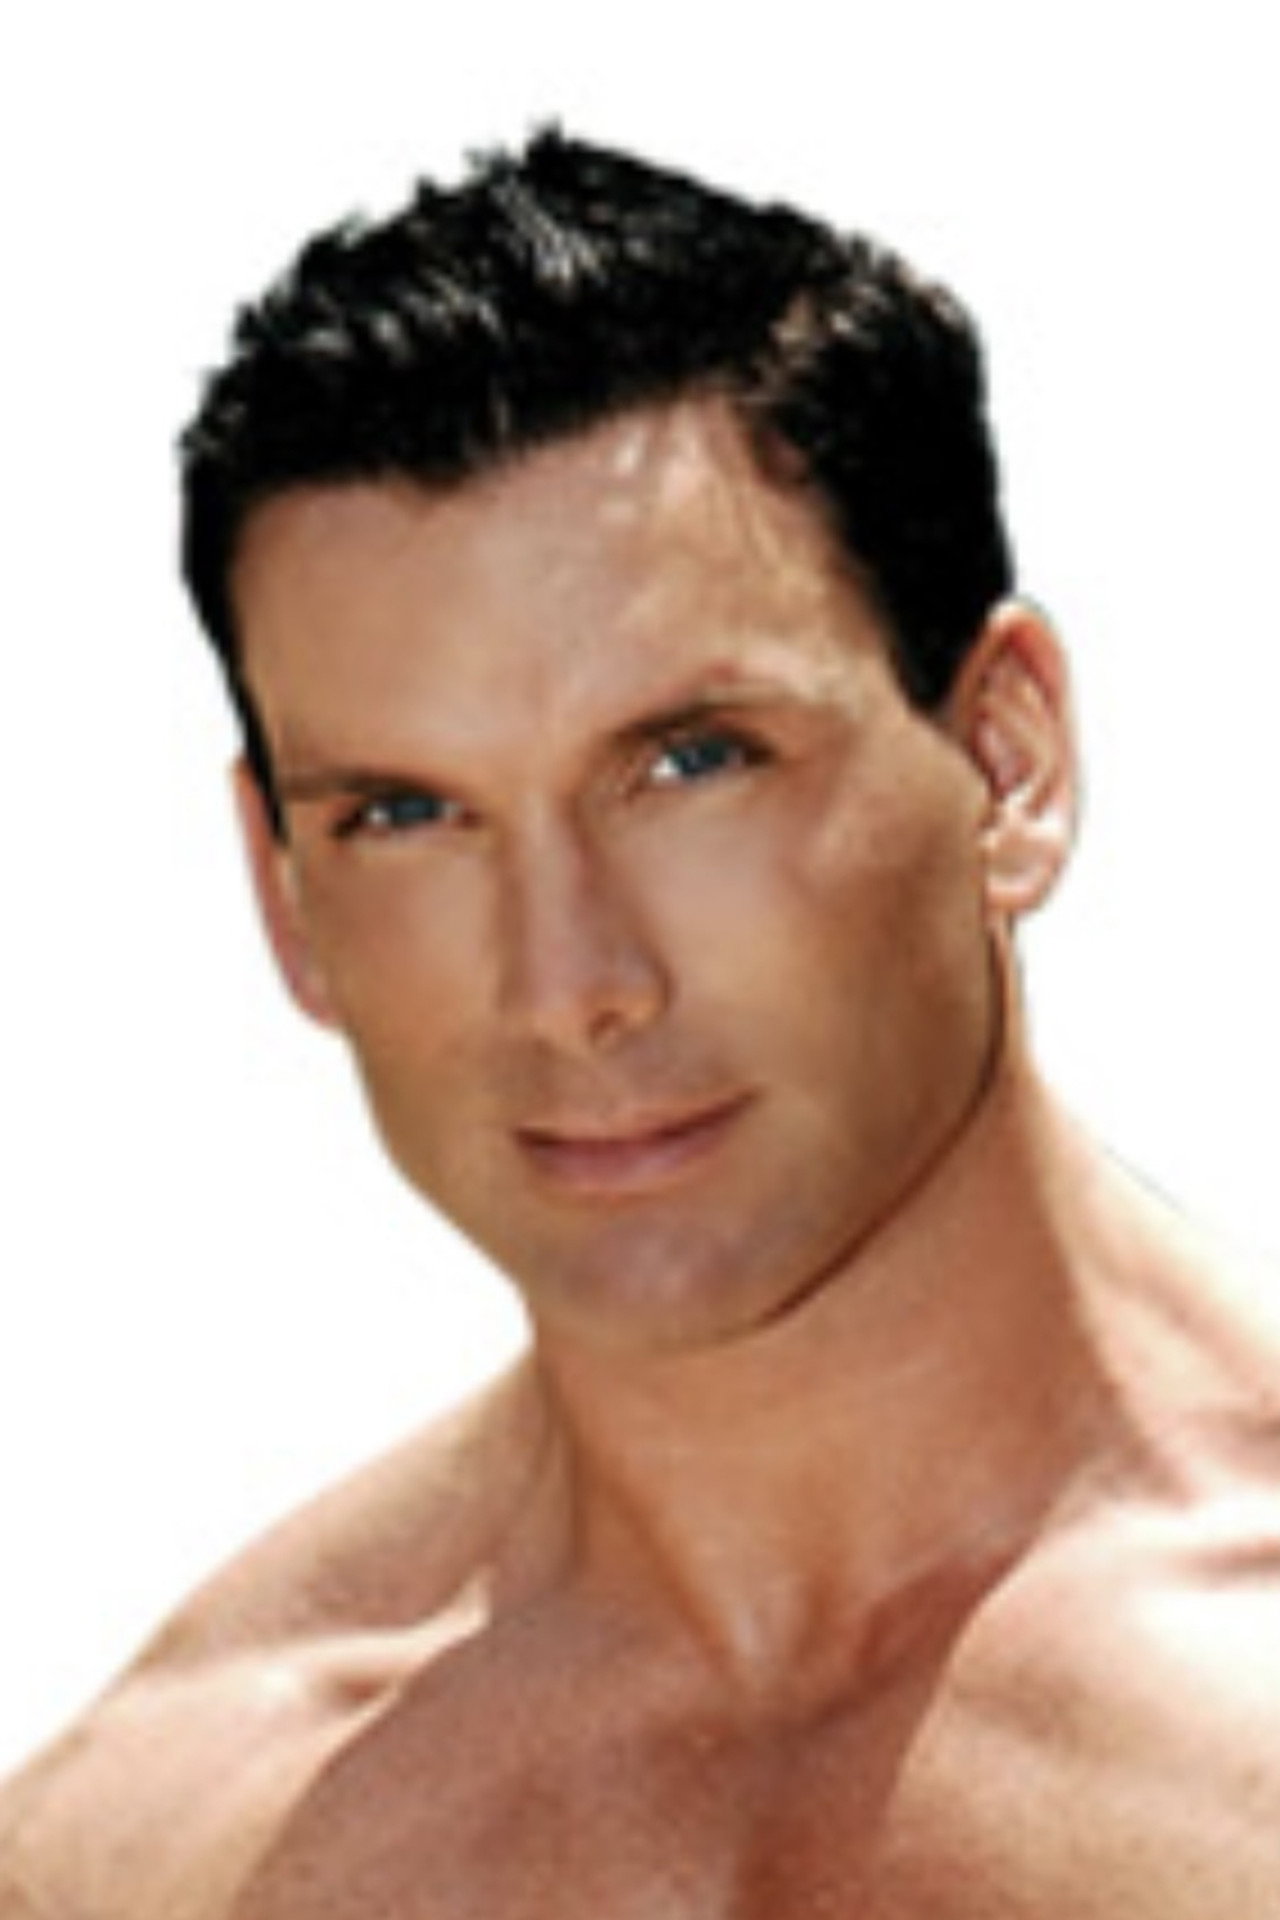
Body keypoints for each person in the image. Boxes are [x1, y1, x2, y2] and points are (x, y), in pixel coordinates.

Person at [2, 127, 1278, 1918]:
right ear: (284, 890)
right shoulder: (153, 1847)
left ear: (1005, 762)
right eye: (406, 814)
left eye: (690, 763)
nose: (571, 985)